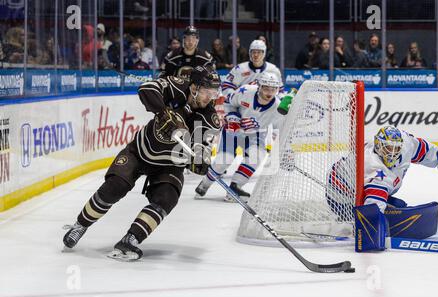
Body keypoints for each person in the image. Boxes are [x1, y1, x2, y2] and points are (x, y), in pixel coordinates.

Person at [63, 65, 222, 261]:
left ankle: (130, 239)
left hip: (170, 164)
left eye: (214, 92)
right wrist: (164, 113)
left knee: (166, 199)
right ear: (194, 87)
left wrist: (199, 163)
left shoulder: (209, 119)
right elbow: (147, 90)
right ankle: (80, 225)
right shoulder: (177, 86)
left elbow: (201, 154)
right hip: (140, 152)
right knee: (114, 187)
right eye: (207, 91)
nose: (210, 97)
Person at [326, 126, 438, 221]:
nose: (393, 153)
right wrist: (372, 224)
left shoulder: (406, 143)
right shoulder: (373, 166)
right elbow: (374, 204)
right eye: (389, 148)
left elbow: (421, 149)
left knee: (398, 206)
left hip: (354, 181)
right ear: (379, 145)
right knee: (389, 213)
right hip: (341, 198)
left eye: (396, 148)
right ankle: (350, 218)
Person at [195, 72, 285, 201]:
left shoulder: (277, 107)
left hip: (256, 135)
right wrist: (232, 115)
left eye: (273, 89)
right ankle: (205, 184)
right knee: (225, 159)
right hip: (234, 130)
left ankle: (235, 187)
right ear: (259, 86)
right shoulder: (246, 91)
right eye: (266, 88)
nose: (269, 93)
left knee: (257, 156)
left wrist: (287, 152)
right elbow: (228, 102)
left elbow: (280, 130)